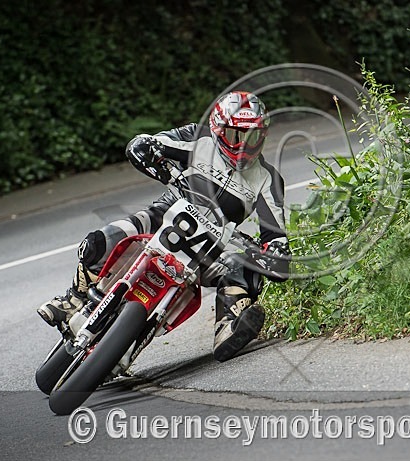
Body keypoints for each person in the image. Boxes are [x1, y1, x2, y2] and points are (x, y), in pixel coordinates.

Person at [37, 91, 290, 362]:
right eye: (236, 136)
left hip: (212, 248)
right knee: (102, 239)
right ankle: (72, 298)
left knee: (245, 270)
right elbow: (147, 143)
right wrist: (154, 159)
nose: (243, 146)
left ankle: (227, 326)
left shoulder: (268, 180)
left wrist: (272, 254)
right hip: (163, 216)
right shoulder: (197, 137)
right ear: (217, 128)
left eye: (253, 136)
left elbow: (275, 235)